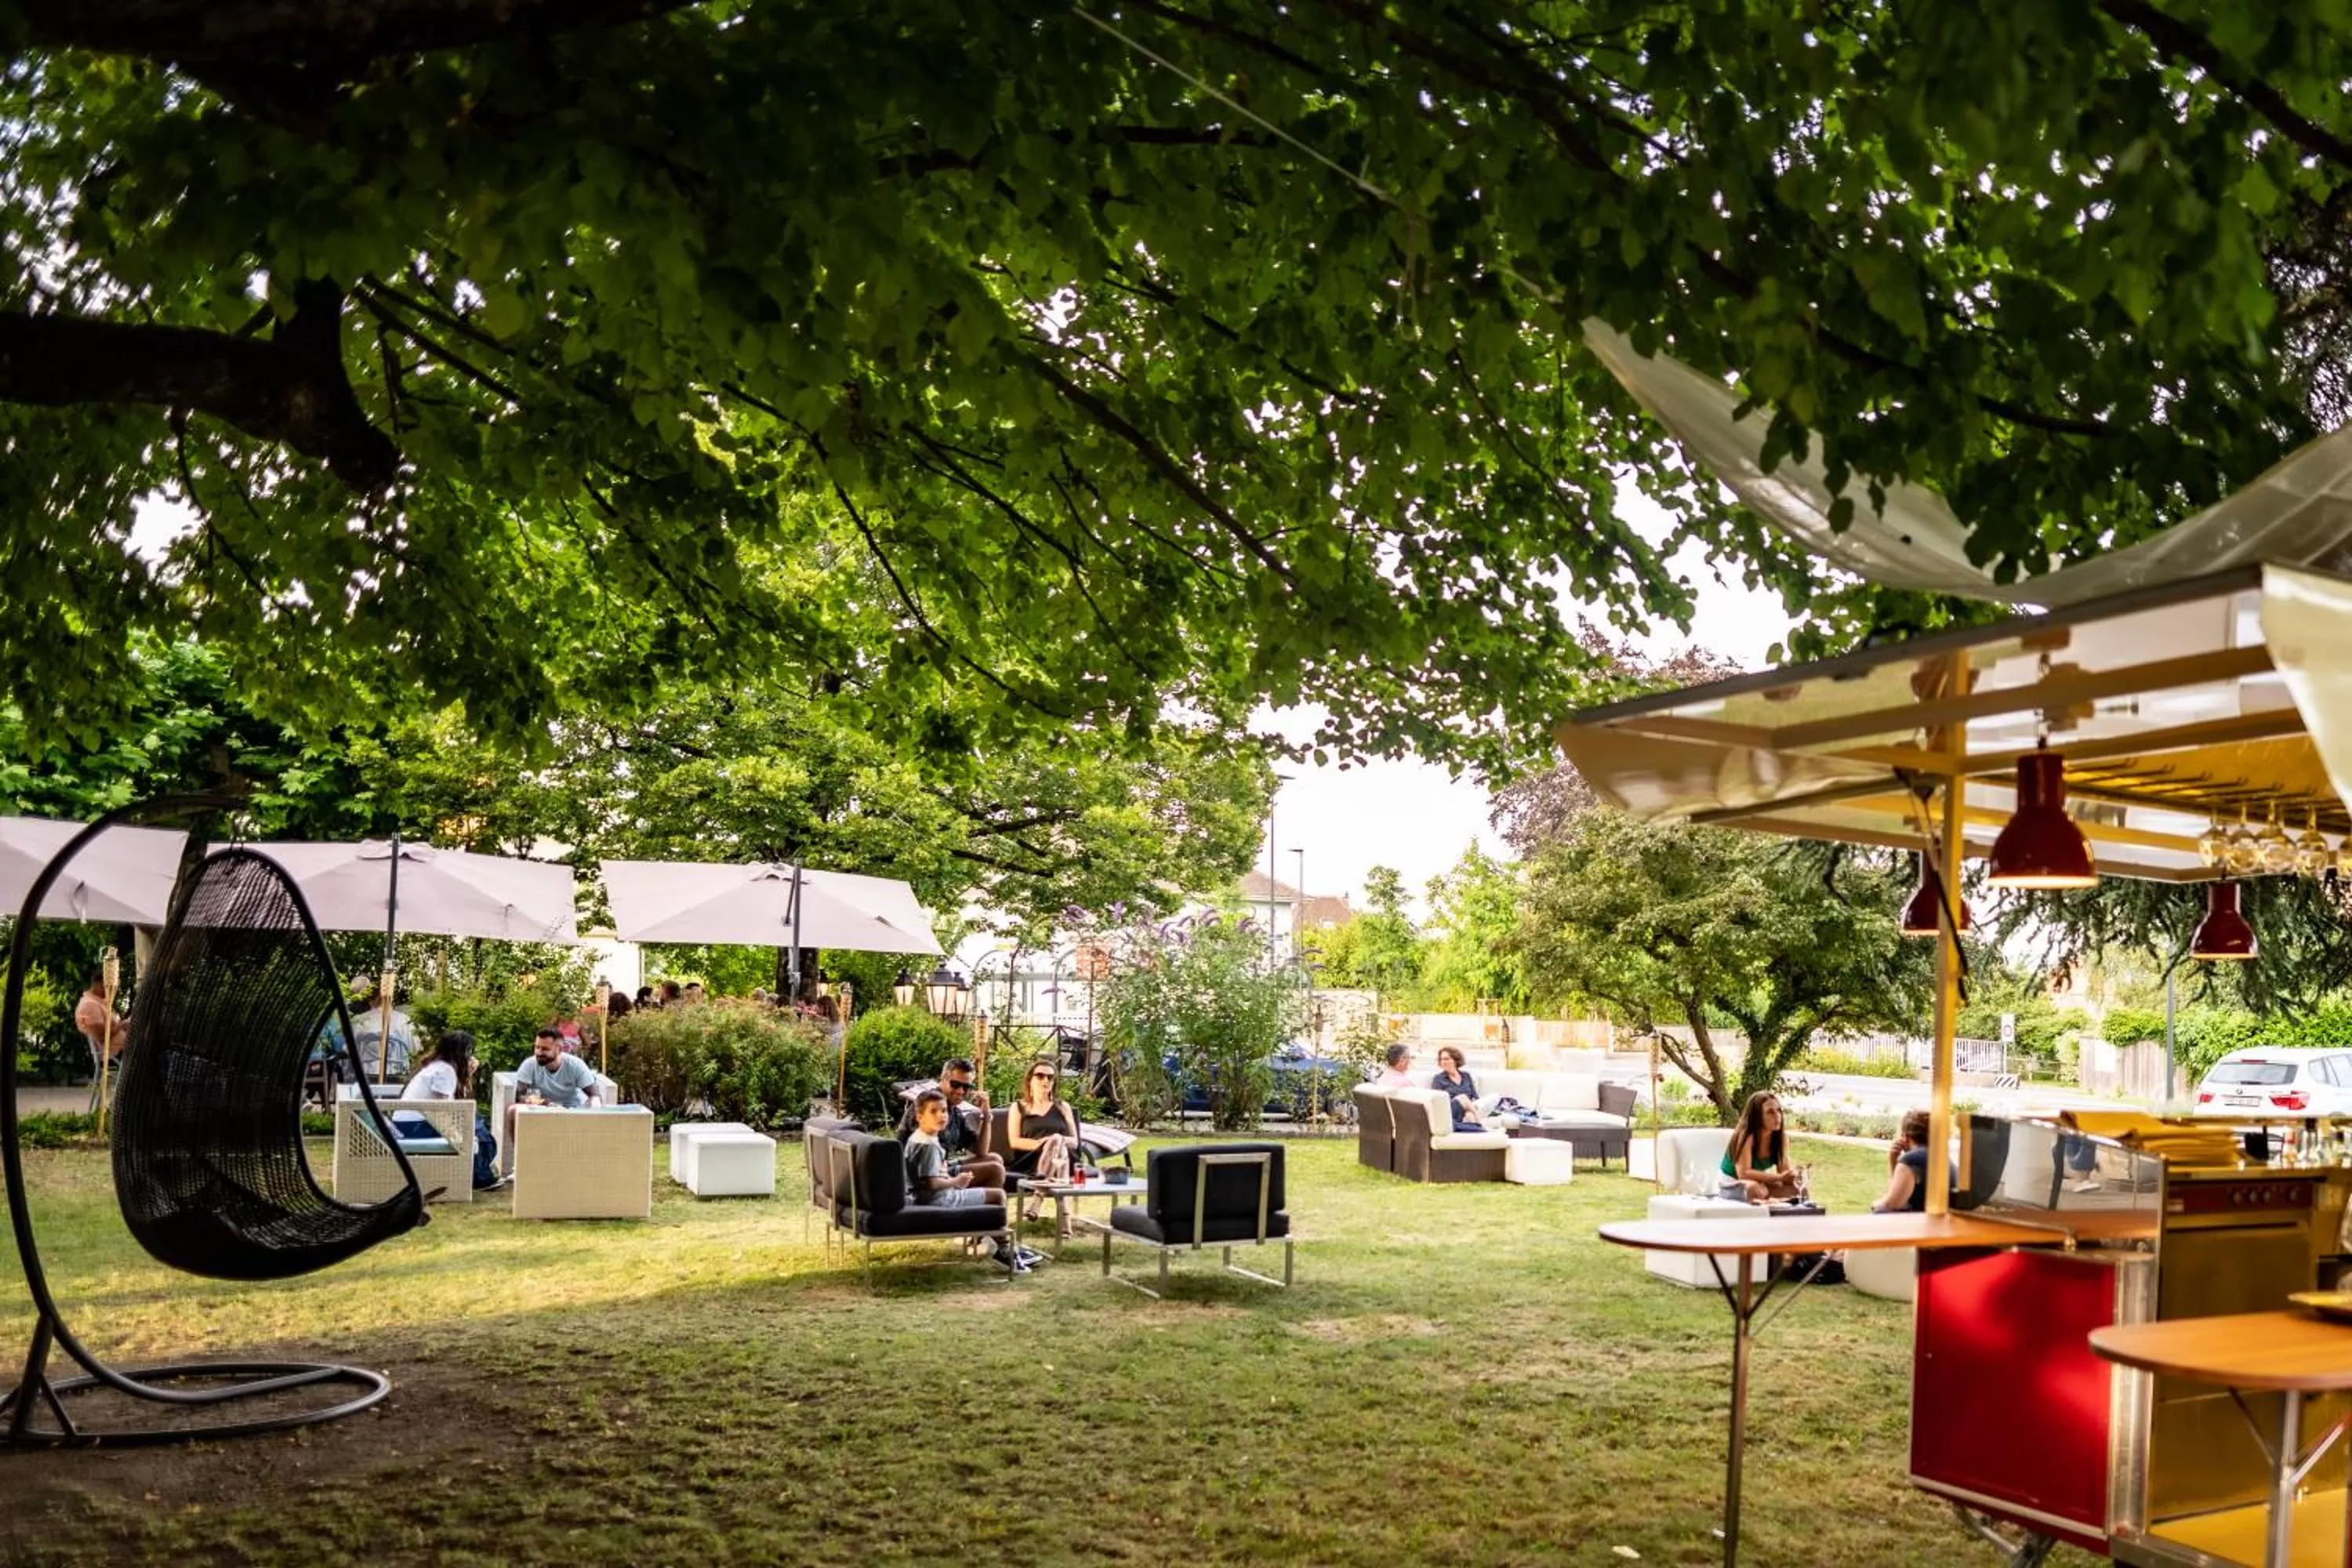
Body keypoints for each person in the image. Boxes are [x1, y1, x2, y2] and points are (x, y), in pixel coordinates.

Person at [394, 1029, 499, 1189]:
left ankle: (480, 1174)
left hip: (412, 1123)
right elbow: (445, 1108)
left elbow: (451, 1102)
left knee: (475, 1123)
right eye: (469, 1052)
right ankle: (479, 1176)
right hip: (417, 1126)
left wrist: (467, 1075)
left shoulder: (438, 1067)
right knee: (479, 1131)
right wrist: (461, 1135)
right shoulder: (445, 1071)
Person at [896, 1056, 1005, 1194]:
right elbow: (924, 1156)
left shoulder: (955, 1112)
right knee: (995, 1170)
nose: (961, 1091)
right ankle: (979, 1209)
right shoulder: (928, 1106)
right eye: (956, 1085)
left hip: (940, 1168)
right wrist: (954, 1180)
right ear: (943, 1079)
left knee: (995, 1158)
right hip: (920, 1177)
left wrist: (986, 1116)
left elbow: (981, 1151)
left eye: (967, 1087)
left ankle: (976, 1206)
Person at [1003, 1057, 1080, 1240]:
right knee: (1054, 1142)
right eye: (1040, 1076)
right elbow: (1014, 1141)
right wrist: (1042, 1143)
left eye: (1050, 1077)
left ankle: (1038, 1198)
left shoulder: (1063, 1107)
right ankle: (1064, 1215)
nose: (1046, 1080)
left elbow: (1075, 1142)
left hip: (1064, 1159)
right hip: (1030, 1160)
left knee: (1057, 1142)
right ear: (1030, 1080)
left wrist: (1055, 1140)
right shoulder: (1019, 1107)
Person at [503, 1026, 604, 1163]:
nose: (539, 1052)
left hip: (571, 1110)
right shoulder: (529, 1065)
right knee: (512, 1111)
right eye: (537, 1047)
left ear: (559, 1049)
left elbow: (594, 1094)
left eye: (545, 1049)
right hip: (541, 1109)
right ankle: (520, 1161)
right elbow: (520, 1096)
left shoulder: (575, 1065)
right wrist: (545, 1103)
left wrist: (593, 1107)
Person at [1720, 1091, 1804, 1203]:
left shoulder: (1780, 1138)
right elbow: (1744, 1174)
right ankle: (1769, 1206)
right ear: (1757, 1117)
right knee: (1754, 1189)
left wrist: (1797, 1175)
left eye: (1778, 1110)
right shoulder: (1746, 1136)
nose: (1777, 1116)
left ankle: (1778, 1209)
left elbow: (1784, 1172)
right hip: (1732, 1184)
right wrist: (1778, 1178)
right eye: (1770, 1112)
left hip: (1758, 1183)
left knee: (1799, 1191)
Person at [1873, 1109, 1956, 1214]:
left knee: (1878, 1210)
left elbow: (1892, 1205)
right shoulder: (1943, 1159)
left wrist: (1874, 1205)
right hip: (1939, 1224)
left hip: (1921, 1226)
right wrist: (1894, 1161)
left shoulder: (1912, 1159)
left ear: (1905, 1137)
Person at [74, 973, 128, 1070]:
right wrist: (121, 1025)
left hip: (123, 1048)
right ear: (100, 985)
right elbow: (102, 1037)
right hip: (114, 1052)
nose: (113, 991)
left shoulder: (99, 1003)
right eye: (112, 987)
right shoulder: (90, 1005)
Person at [1430, 1046, 1483, 1131]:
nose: (1443, 1062)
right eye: (1441, 1059)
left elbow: (1475, 1096)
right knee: (1462, 1097)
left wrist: (1469, 1109)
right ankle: (1482, 1123)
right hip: (1450, 1110)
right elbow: (1437, 1102)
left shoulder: (1466, 1076)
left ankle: (1476, 1135)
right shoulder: (1439, 1079)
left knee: (1470, 1116)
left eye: (1446, 1059)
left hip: (1466, 1110)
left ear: (1455, 1060)